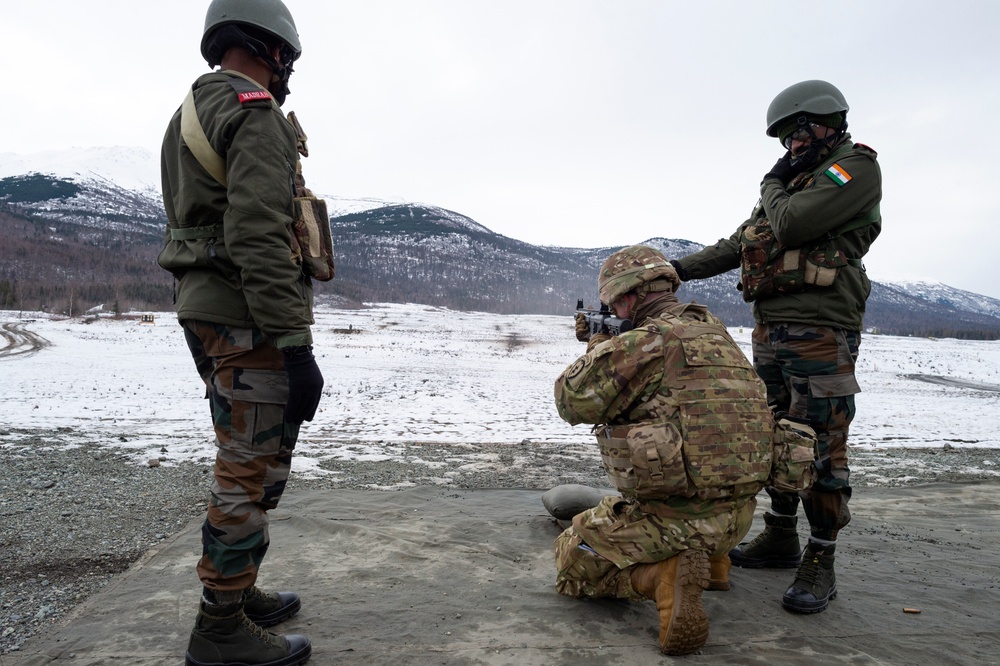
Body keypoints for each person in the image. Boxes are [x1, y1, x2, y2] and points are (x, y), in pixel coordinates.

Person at [669, 80, 882, 614]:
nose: (789, 146)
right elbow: (742, 241)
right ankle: (781, 535)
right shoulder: (793, 179)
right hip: (771, 330)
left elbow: (791, 223)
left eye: (797, 132)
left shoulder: (852, 168)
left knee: (820, 443)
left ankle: (821, 558)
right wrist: (673, 270)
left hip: (821, 332)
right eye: (783, 139)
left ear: (827, 122)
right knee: (773, 435)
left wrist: (772, 182)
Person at [158, 1, 324, 664]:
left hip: (209, 311)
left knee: (247, 458)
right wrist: (296, 345)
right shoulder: (254, 111)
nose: (289, 74)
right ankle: (219, 627)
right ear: (271, 48)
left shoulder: (192, 110)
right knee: (247, 468)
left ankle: (237, 587)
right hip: (246, 316)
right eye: (289, 60)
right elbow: (257, 234)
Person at [552, 245, 775, 655]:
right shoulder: (716, 332)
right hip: (740, 518)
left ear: (626, 298)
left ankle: (659, 577)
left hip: (677, 522)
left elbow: (571, 400)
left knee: (570, 556)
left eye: (613, 304)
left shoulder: (648, 341)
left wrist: (601, 347)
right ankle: (715, 565)